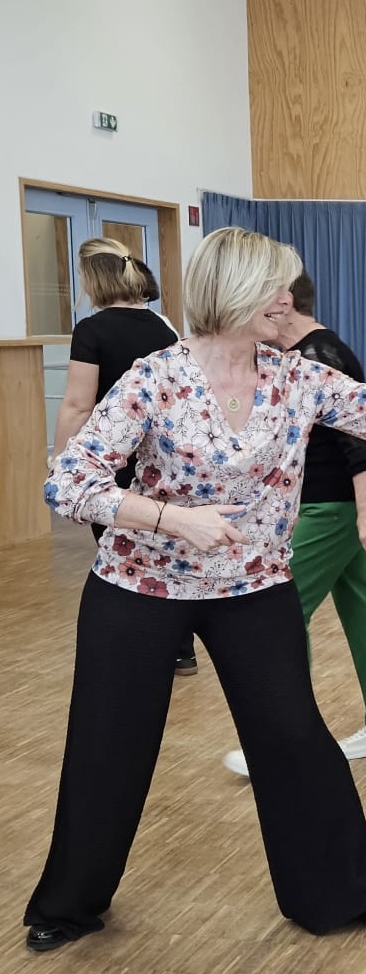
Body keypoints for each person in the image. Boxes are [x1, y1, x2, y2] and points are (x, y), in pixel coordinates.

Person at [23, 225, 366, 955]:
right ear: (236, 292)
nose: (289, 299)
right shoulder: (157, 377)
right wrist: (171, 518)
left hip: (252, 585)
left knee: (294, 739)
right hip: (139, 583)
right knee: (107, 742)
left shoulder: (295, 375)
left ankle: (351, 891)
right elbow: (69, 480)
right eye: (276, 286)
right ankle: (71, 902)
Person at [222, 269, 366, 774]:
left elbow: (363, 437)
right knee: (360, 609)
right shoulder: (290, 353)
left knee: (281, 611)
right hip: (329, 504)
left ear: (283, 303)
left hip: (334, 507)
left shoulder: (317, 354)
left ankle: (283, 741)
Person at [54, 238, 197, 677]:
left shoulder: (91, 330)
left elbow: (79, 405)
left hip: (114, 459)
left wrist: (63, 461)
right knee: (162, 544)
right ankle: (181, 648)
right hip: (161, 458)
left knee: (122, 552)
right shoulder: (164, 326)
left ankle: (151, 647)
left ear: (93, 280)